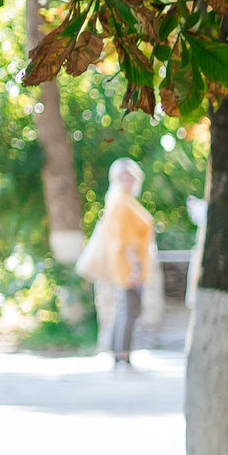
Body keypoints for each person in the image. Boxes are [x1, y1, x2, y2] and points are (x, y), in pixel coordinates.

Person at [75, 158, 160, 370]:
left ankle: (120, 353)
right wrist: (136, 266)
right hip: (128, 265)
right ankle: (122, 355)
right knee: (129, 310)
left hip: (130, 264)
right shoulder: (120, 202)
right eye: (123, 176)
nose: (127, 180)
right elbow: (125, 240)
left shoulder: (123, 200)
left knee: (127, 309)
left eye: (130, 176)